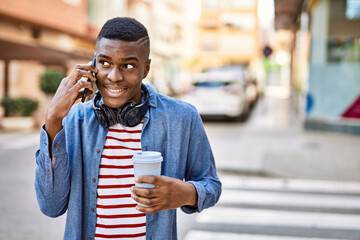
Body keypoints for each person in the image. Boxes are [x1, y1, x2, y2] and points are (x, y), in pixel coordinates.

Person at [35, 17, 221, 240]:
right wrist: (54, 119)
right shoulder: (76, 120)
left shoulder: (182, 118)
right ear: (93, 65)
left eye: (128, 66)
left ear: (146, 68)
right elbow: (50, 206)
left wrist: (186, 193)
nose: (114, 76)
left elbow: (210, 185)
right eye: (104, 63)